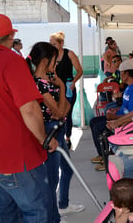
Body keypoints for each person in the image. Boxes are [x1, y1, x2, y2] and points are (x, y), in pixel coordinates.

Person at [0, 13, 58, 222]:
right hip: (18, 157)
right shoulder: (12, 61)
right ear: (11, 37)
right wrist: (45, 139)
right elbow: (30, 109)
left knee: (7, 213)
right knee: (36, 213)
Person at [26, 42, 84, 220]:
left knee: (67, 170)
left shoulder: (50, 79)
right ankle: (52, 217)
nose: (56, 63)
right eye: (54, 60)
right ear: (45, 61)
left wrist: (60, 92)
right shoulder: (39, 84)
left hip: (58, 128)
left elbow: (66, 109)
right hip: (49, 132)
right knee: (52, 180)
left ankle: (63, 205)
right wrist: (62, 88)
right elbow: (60, 111)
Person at [90, 59, 133, 171]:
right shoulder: (129, 87)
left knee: (98, 128)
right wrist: (115, 110)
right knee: (93, 121)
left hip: (125, 122)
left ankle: (107, 160)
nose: (120, 75)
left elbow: (132, 115)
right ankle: (102, 156)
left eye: (121, 73)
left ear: (127, 73)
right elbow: (125, 107)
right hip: (119, 117)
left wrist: (114, 118)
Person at [50, 31, 83, 150]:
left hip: (68, 88)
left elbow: (80, 70)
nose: (52, 46)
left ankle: (67, 137)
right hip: (54, 89)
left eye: (54, 44)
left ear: (61, 43)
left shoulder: (69, 54)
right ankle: (58, 137)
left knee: (67, 113)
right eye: (50, 44)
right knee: (55, 113)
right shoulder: (50, 56)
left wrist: (73, 82)